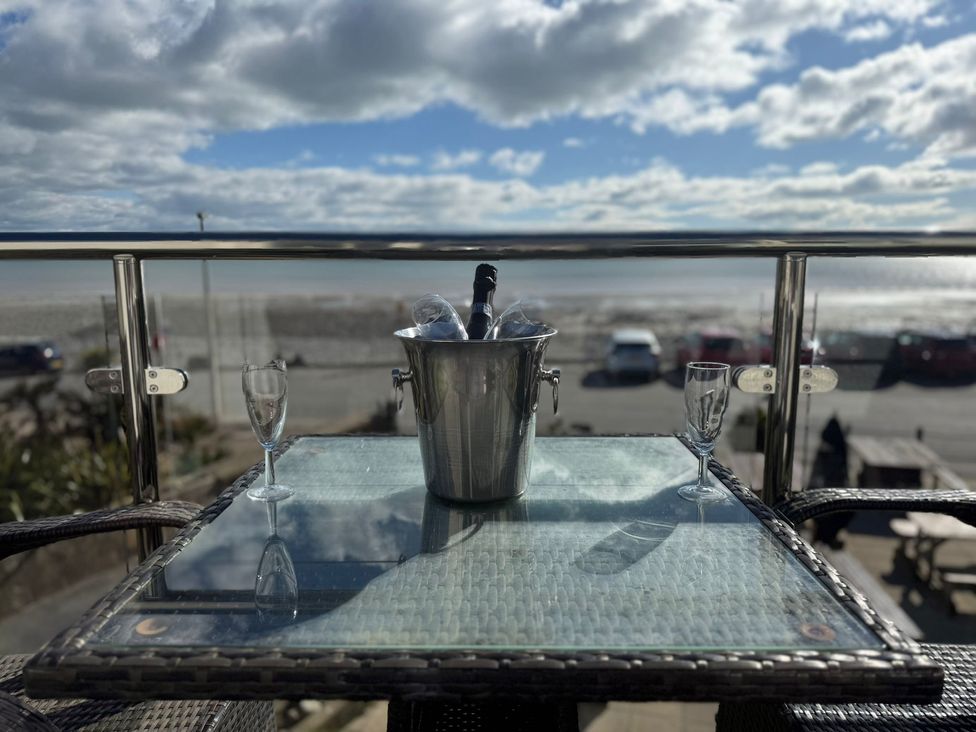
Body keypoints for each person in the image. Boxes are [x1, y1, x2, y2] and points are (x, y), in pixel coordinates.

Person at [808, 416, 852, 547]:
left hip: (828, 496)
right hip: (826, 496)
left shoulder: (826, 453)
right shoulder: (833, 453)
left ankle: (824, 536)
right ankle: (825, 536)